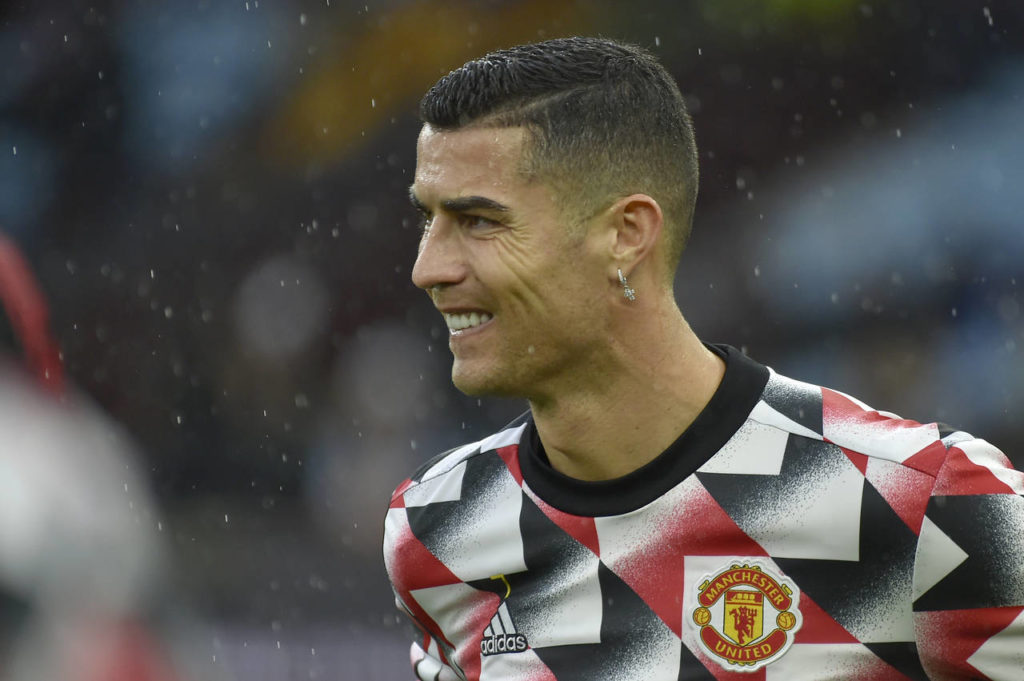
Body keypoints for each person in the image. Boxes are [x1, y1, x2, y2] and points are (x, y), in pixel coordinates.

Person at [381, 37, 1024, 680]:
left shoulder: (929, 501)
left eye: (479, 221)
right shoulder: (434, 526)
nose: (427, 269)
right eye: (427, 219)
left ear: (626, 234)